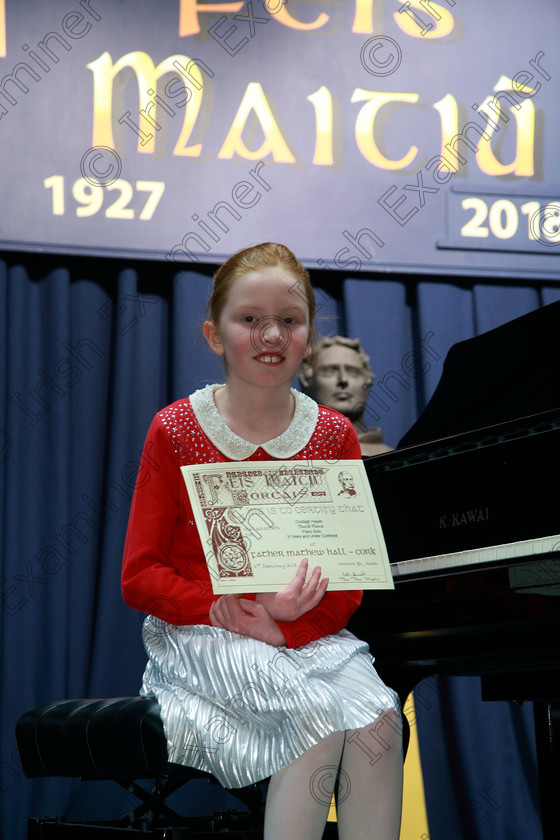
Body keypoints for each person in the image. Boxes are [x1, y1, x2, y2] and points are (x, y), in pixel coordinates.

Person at [121, 243, 403, 840]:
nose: (271, 333)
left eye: (290, 320)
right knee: (314, 717)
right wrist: (240, 612)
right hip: (205, 630)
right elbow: (140, 575)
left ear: (307, 335)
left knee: (381, 723)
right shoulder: (175, 429)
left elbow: (348, 572)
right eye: (250, 319)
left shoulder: (332, 434)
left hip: (301, 636)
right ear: (214, 334)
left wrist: (284, 627)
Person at [299, 336, 392, 456]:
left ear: (367, 381)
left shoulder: (390, 456)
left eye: (353, 372)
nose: (343, 380)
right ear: (307, 380)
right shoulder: (290, 455)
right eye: (330, 371)